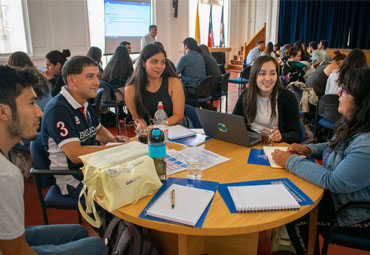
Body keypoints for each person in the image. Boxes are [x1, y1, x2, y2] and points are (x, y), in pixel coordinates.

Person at [0, 65, 107, 255]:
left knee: (79, 231)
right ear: (3, 112)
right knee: (97, 245)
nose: (40, 113)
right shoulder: (6, 175)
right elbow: (15, 251)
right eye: (32, 103)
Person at [271, 68, 370, 255]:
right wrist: (308, 148)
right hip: (341, 197)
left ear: (362, 100)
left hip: (352, 212)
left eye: (345, 91)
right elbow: (334, 145)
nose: (338, 94)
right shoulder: (356, 124)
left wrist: (290, 161)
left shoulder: (366, 143)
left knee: (296, 216)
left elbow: (334, 181)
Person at [41, 56, 126, 198]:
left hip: (91, 169)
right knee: (121, 191)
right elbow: (75, 154)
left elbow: (97, 130)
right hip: (72, 177)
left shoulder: (83, 102)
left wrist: (113, 139)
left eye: (97, 76)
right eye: (90, 77)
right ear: (71, 80)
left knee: (130, 178)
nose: (97, 82)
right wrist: (110, 150)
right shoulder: (58, 110)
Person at [232, 55, 301, 144]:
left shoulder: (287, 97)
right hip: (250, 142)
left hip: (274, 145)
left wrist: (281, 136)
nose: (268, 78)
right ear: (254, 75)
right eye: (262, 73)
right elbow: (234, 122)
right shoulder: (246, 94)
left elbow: (297, 135)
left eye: (272, 73)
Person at [125, 44, 185, 127]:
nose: (159, 66)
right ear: (143, 63)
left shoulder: (174, 82)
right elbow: (136, 118)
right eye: (154, 62)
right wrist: (140, 123)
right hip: (148, 135)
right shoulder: (131, 88)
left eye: (163, 62)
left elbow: (178, 117)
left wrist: (156, 127)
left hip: (173, 132)